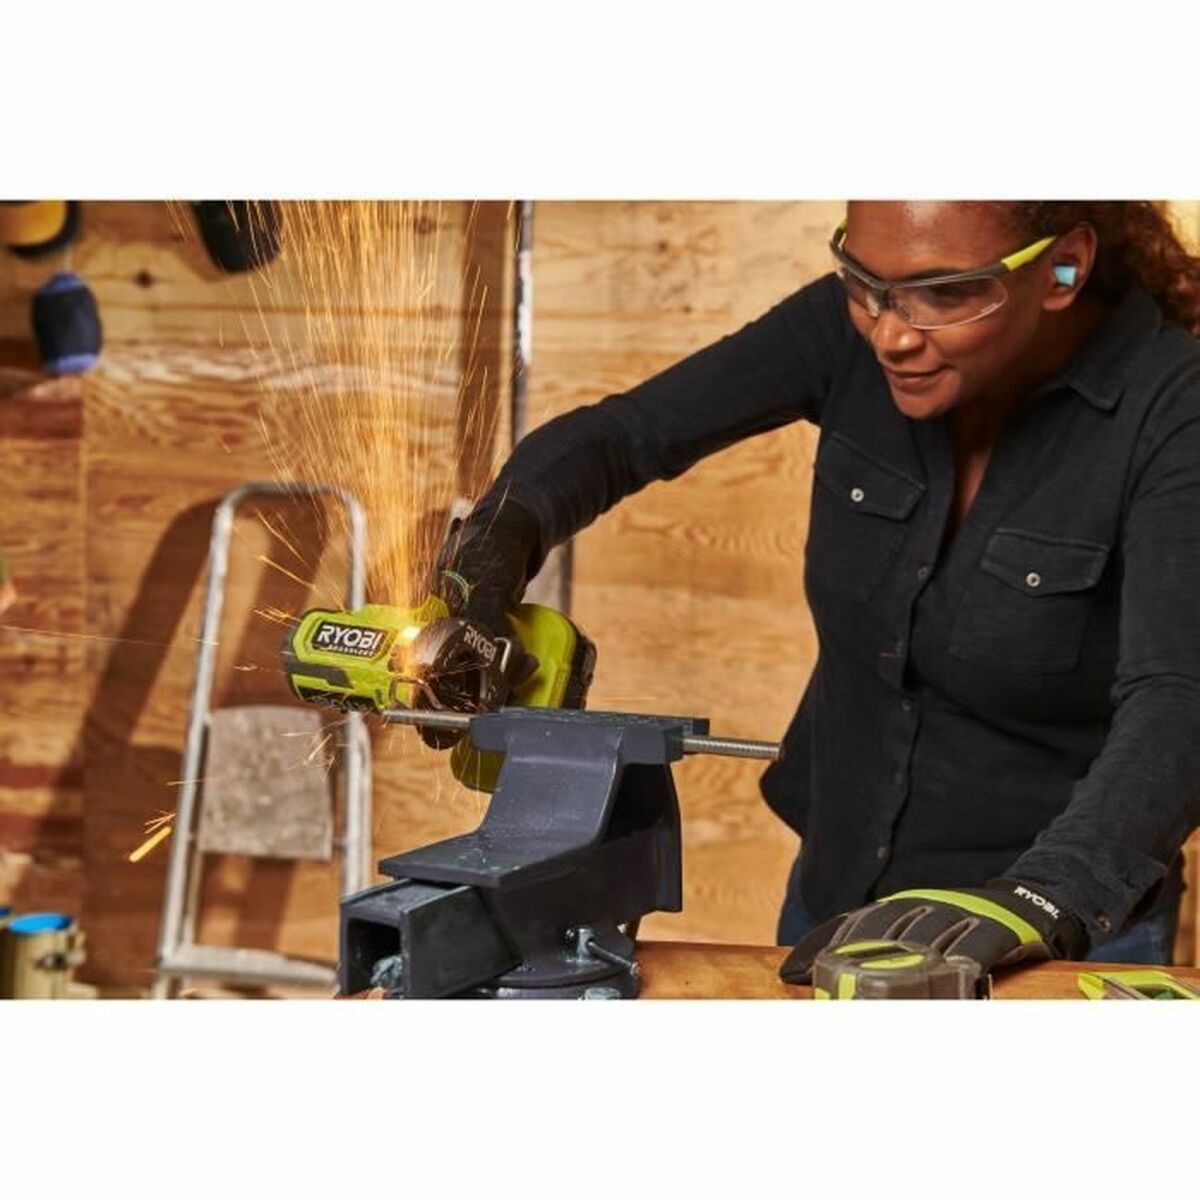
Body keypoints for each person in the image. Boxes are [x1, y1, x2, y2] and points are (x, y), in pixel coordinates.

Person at [433, 201, 1200, 975]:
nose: (892, 334)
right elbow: (624, 437)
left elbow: (1179, 697)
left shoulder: (1175, 410)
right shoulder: (849, 329)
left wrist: (1042, 899)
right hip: (835, 896)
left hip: (1047, 928)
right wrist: (493, 545)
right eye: (864, 281)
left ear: (1064, 268)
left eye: (945, 293)